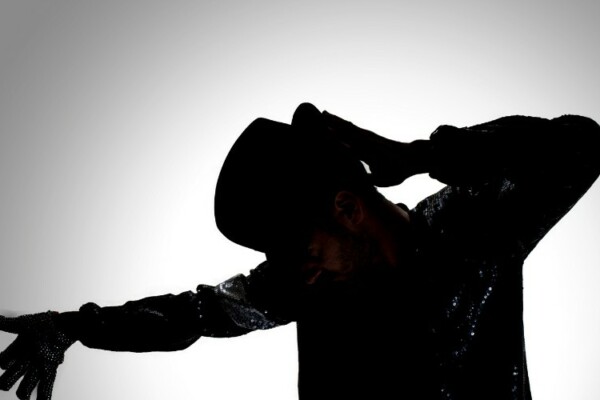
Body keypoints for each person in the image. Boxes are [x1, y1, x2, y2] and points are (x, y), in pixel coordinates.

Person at [1, 103, 599, 400]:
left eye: (302, 250)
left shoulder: (472, 227)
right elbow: (194, 314)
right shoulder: (298, 282)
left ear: (346, 209)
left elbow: (581, 145)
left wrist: (421, 154)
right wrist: (71, 326)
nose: (299, 274)